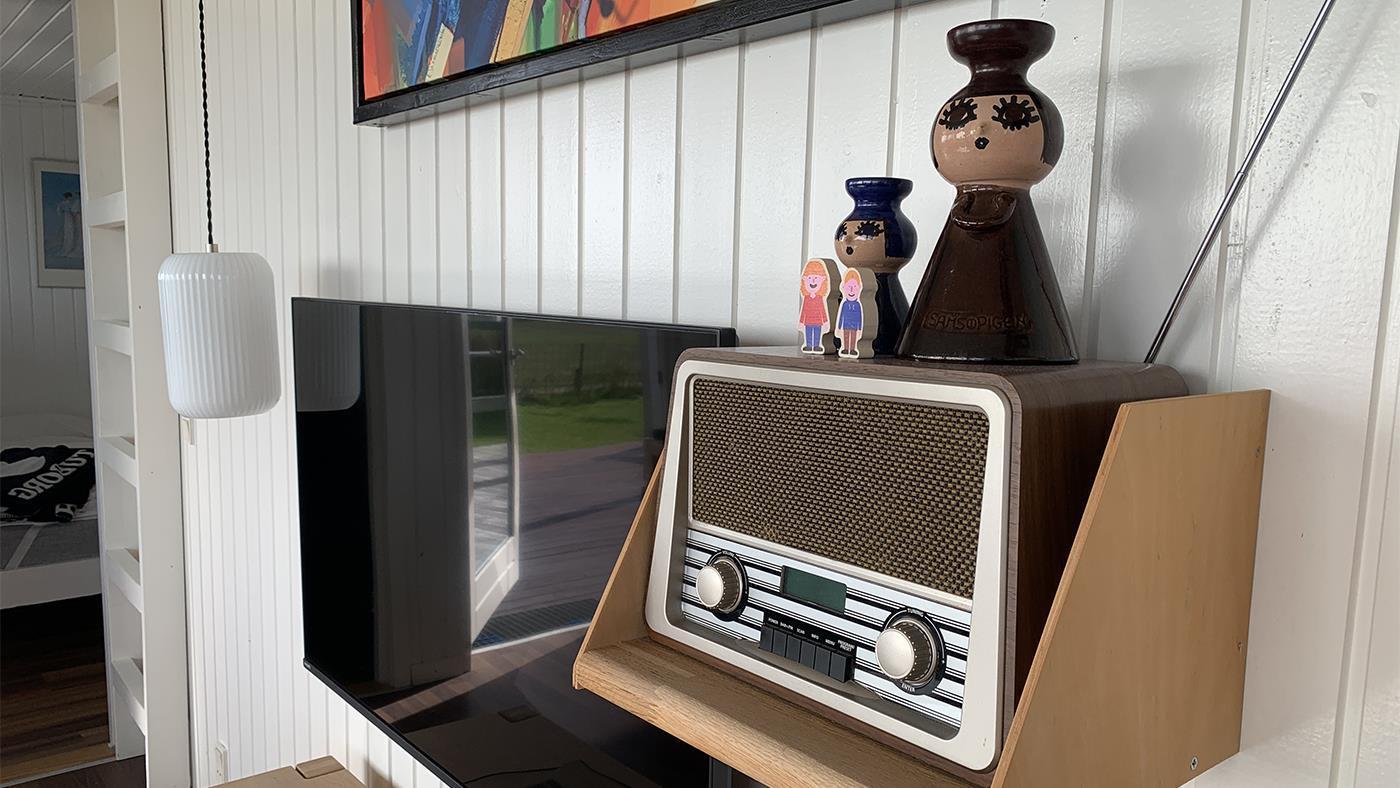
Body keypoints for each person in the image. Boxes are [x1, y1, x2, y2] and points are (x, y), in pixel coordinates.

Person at [797, 258, 832, 354]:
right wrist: (801, 321)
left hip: (818, 321)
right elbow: (804, 310)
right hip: (808, 321)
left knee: (817, 332)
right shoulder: (806, 298)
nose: (812, 281)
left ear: (823, 280)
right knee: (808, 332)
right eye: (809, 278)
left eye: (816, 278)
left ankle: (816, 345)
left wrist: (825, 321)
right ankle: (809, 345)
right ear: (804, 280)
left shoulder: (820, 299)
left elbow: (823, 310)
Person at [835, 269, 866, 358]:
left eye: (854, 287)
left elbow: (860, 316)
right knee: (846, 336)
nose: (851, 290)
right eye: (849, 287)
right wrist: (839, 326)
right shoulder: (844, 304)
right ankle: (845, 348)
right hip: (845, 325)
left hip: (854, 326)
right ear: (844, 287)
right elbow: (841, 316)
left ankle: (852, 349)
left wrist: (859, 327)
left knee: (853, 337)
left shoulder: (858, 304)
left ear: (859, 288)